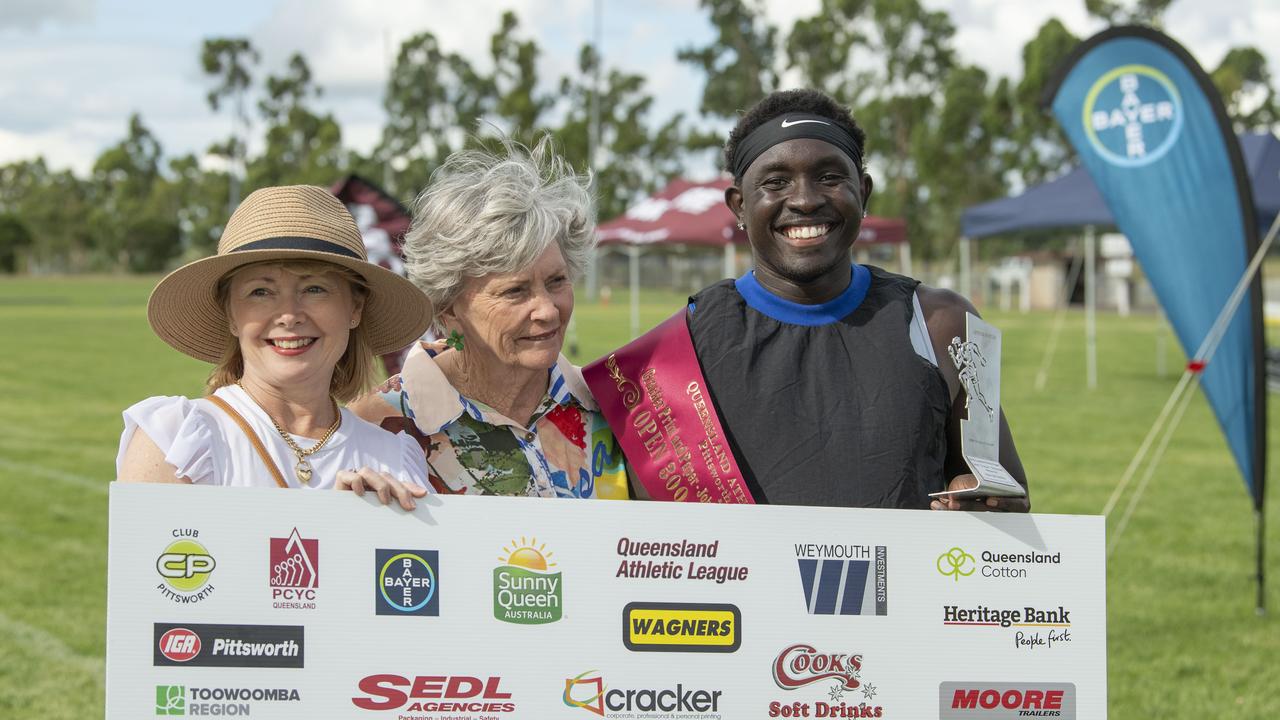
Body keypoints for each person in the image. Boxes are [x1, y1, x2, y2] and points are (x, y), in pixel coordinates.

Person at [647, 88, 1028, 511]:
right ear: (739, 205)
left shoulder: (941, 322)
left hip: (901, 578)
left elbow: (1005, 491)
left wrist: (982, 500)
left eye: (829, 177)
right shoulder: (690, 340)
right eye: (776, 182)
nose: (806, 199)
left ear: (863, 193)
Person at [116, 185, 434, 510]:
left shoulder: (395, 458)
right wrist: (336, 527)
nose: (289, 316)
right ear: (230, 314)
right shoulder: (175, 442)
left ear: (355, 309)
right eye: (260, 292)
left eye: (314, 288)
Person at [350, 138, 630, 499]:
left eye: (556, 281)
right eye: (515, 291)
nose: (546, 310)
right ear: (448, 307)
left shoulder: (617, 408)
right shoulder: (376, 428)